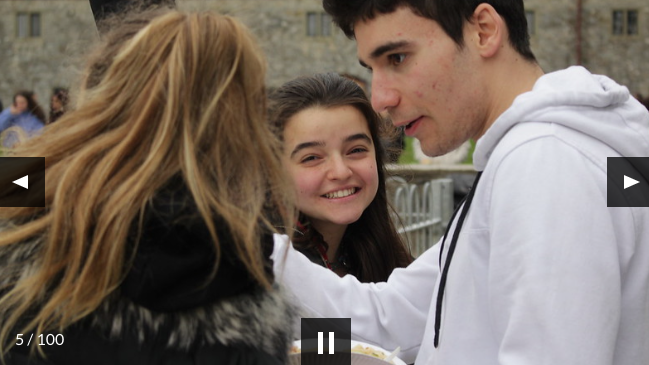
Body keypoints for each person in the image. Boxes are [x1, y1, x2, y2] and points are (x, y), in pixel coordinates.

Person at [272, 1, 649, 365]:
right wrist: (254, 248)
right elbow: (390, 320)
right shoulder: (539, 156)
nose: (381, 98)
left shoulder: (547, 162)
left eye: (398, 59)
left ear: (483, 31)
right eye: (373, 69)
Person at [0, 6, 297, 365]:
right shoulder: (235, 265)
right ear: (241, 124)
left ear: (100, 90)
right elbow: (325, 329)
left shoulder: (22, 187)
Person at [268, 72, 412, 282]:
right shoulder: (269, 275)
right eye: (312, 157)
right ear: (274, 171)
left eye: (355, 150)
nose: (341, 171)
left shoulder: (386, 261)